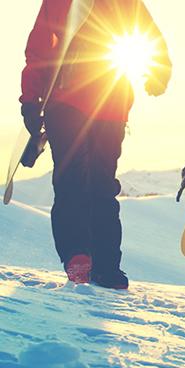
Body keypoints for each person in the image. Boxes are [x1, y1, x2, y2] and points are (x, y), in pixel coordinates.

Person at [20, 0, 172, 289]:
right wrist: (30, 99)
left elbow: (148, 34)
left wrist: (159, 71)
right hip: (76, 100)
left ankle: (102, 264)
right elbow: (39, 47)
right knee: (78, 178)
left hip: (108, 102)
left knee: (95, 182)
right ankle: (83, 258)